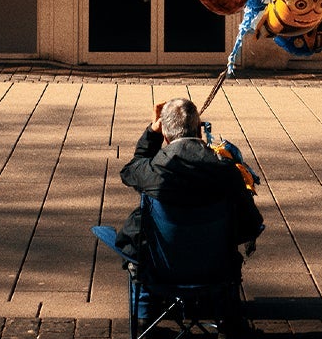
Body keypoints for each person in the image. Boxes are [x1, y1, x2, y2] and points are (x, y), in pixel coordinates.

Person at [92, 96, 265, 269]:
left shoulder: (154, 170)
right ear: (199, 130)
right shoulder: (227, 172)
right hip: (213, 269)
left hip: (162, 269)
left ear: (165, 135)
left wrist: (152, 133)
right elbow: (251, 223)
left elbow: (130, 171)